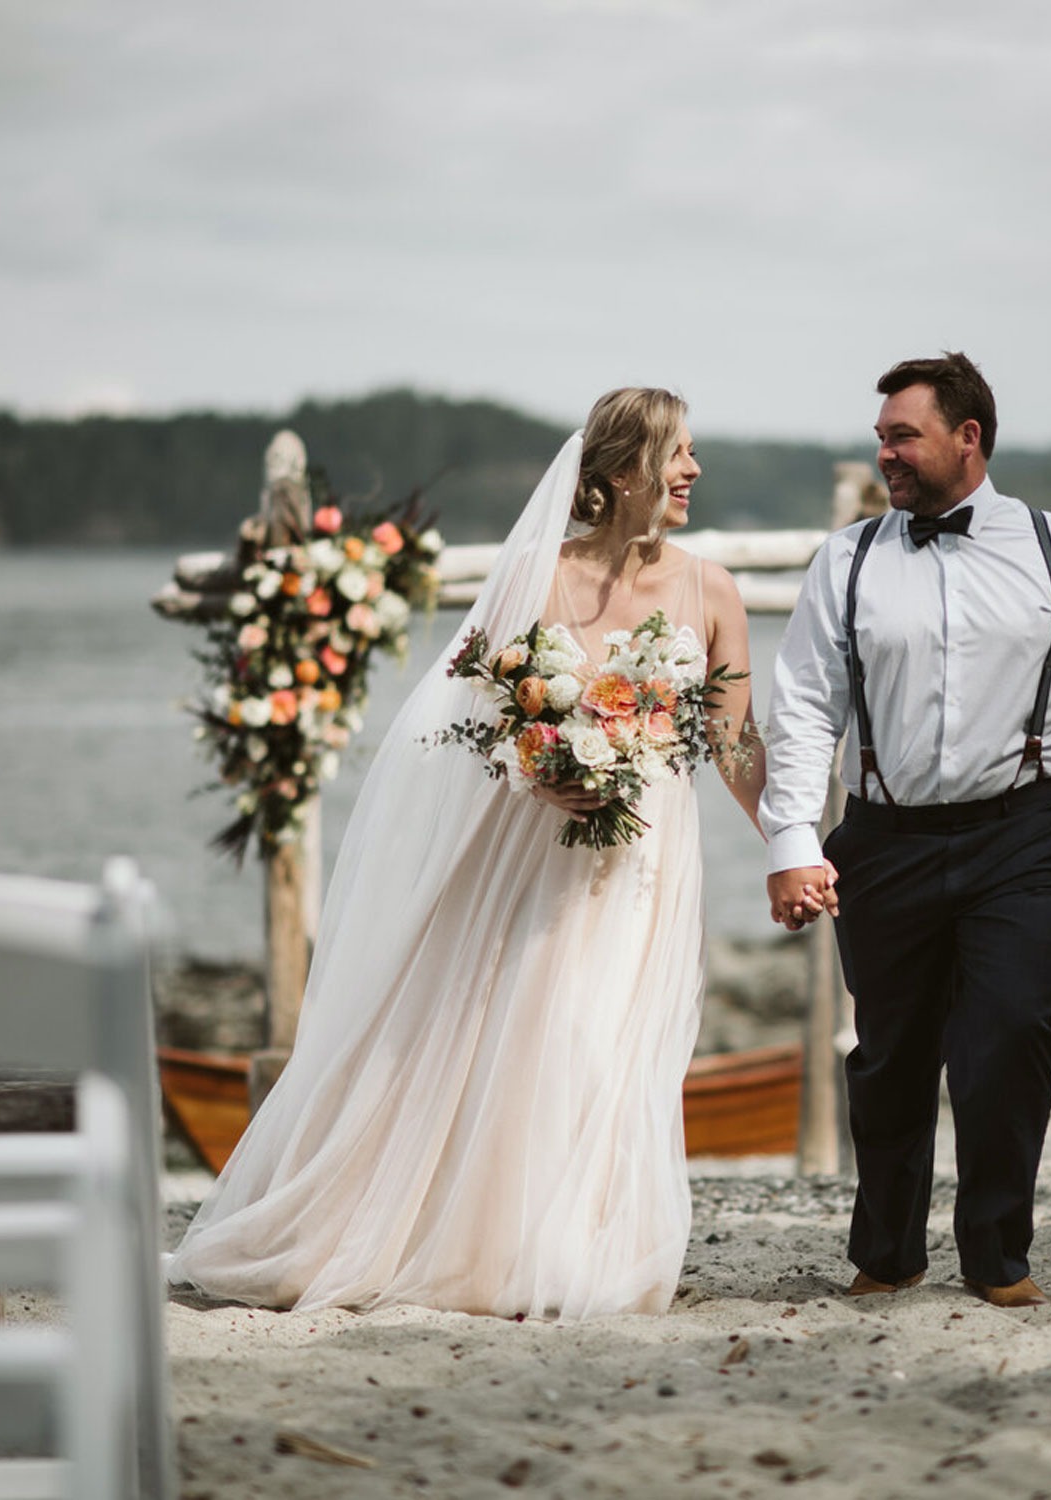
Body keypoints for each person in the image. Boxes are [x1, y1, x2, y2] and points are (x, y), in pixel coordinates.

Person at [169, 388, 825, 1319]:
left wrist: (793, 843)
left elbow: (733, 743)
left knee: (607, 1045)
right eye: (677, 452)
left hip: (643, 866)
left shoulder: (710, 589)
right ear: (623, 471)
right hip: (531, 856)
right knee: (527, 1037)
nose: (693, 470)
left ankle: (575, 1247)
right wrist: (538, 769)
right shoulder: (534, 576)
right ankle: (489, 1249)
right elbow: (472, 719)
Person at [761, 353, 1051, 1308]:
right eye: (881, 438)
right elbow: (805, 710)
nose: (886, 453)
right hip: (884, 840)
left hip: (1023, 834)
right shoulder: (847, 560)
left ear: (968, 437)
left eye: (903, 436)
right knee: (889, 1057)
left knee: (1010, 1038)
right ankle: (889, 1254)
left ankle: (997, 1257)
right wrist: (792, 842)